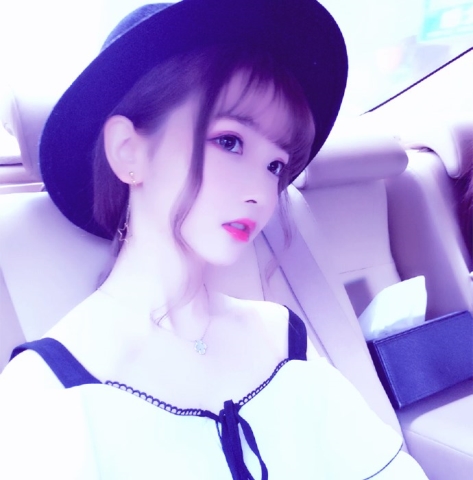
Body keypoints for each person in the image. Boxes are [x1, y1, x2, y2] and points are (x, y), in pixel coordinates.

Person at [0, 1, 427, 478]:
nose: (261, 192)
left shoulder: (283, 338)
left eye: (275, 165)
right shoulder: (45, 392)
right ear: (128, 150)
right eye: (229, 142)